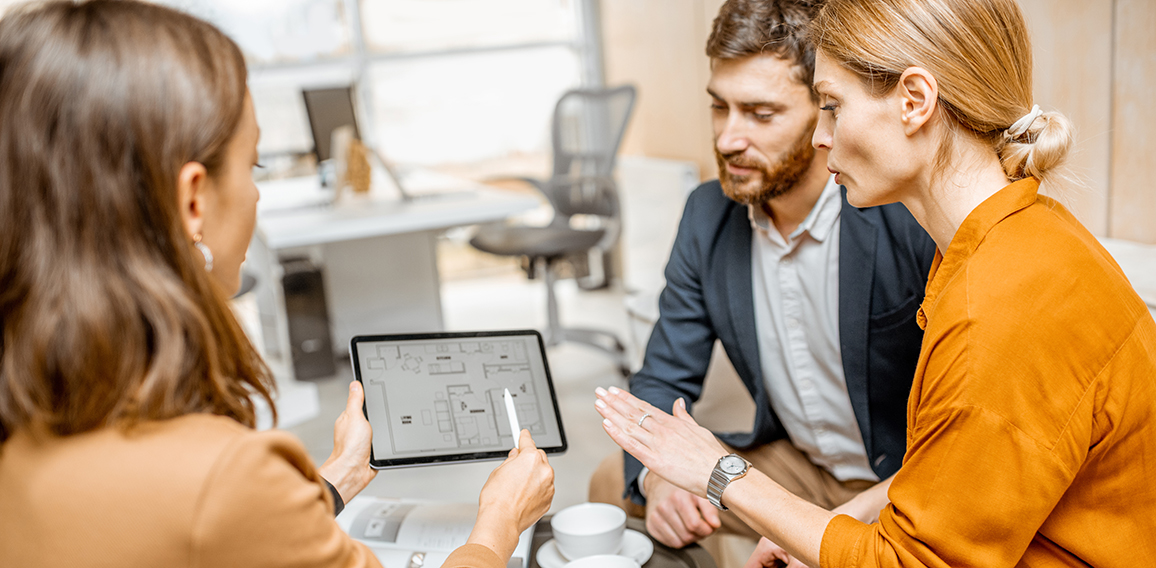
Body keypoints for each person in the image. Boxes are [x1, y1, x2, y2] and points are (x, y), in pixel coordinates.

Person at [595, 0, 1156, 566]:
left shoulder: (996, 303)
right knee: (618, 484)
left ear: (915, 102)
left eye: (832, 107)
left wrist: (720, 473)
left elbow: (910, 556)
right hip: (894, 495)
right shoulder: (1017, 237)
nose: (821, 136)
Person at [0, 2, 553, 567]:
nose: (256, 195)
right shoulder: (225, 478)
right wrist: (499, 522)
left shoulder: (29, 423)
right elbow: (221, 512)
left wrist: (337, 475)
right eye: (252, 166)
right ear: (194, 200)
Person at [588, 0, 934, 558]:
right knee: (613, 481)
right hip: (796, 465)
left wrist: (825, 534)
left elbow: (967, 442)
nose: (728, 138)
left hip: (903, 484)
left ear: (826, 112)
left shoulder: (901, 211)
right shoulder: (708, 215)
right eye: (719, 108)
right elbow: (662, 378)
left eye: (760, 113)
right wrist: (657, 485)